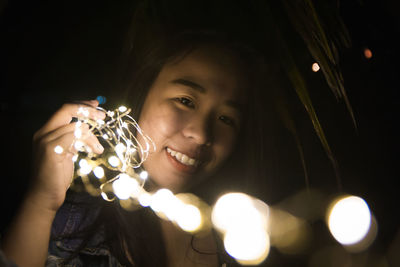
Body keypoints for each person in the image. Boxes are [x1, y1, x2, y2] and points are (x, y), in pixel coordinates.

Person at [1, 30, 274, 266]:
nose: (202, 134)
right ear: (141, 95)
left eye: (226, 118)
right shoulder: (74, 220)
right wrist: (41, 204)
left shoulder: (247, 235)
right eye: (185, 101)